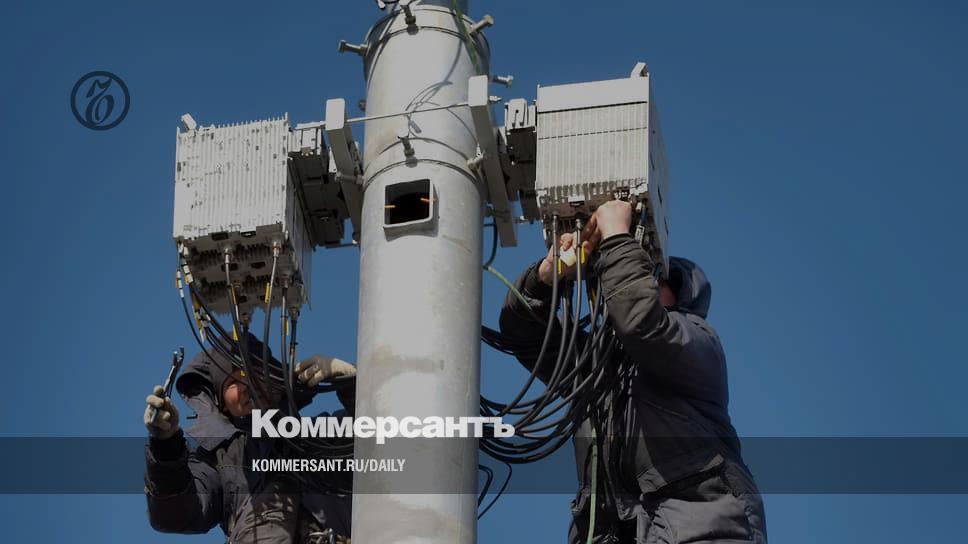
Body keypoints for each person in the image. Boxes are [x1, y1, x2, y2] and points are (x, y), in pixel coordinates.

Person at [499, 200, 768, 543]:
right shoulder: (598, 367)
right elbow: (522, 336)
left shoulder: (698, 342)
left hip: (703, 529)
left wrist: (616, 235)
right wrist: (548, 275)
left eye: (653, 279)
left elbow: (641, 321)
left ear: (680, 294)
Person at [143, 333, 356, 543]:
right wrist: (165, 447)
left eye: (254, 372)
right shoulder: (217, 462)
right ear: (222, 405)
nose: (246, 385)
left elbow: (373, 443)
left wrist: (354, 386)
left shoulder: (318, 438)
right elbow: (176, 514)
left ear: (275, 381)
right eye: (232, 382)